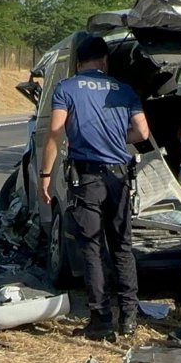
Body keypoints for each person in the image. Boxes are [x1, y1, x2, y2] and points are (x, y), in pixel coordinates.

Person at [40, 36, 150, 341]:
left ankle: (101, 320)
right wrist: (116, 137)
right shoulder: (124, 90)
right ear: (104, 61)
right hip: (119, 178)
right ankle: (128, 317)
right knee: (122, 246)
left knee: (91, 247)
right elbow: (142, 131)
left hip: (86, 179)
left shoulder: (67, 88)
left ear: (78, 63)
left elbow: (55, 130)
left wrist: (45, 175)